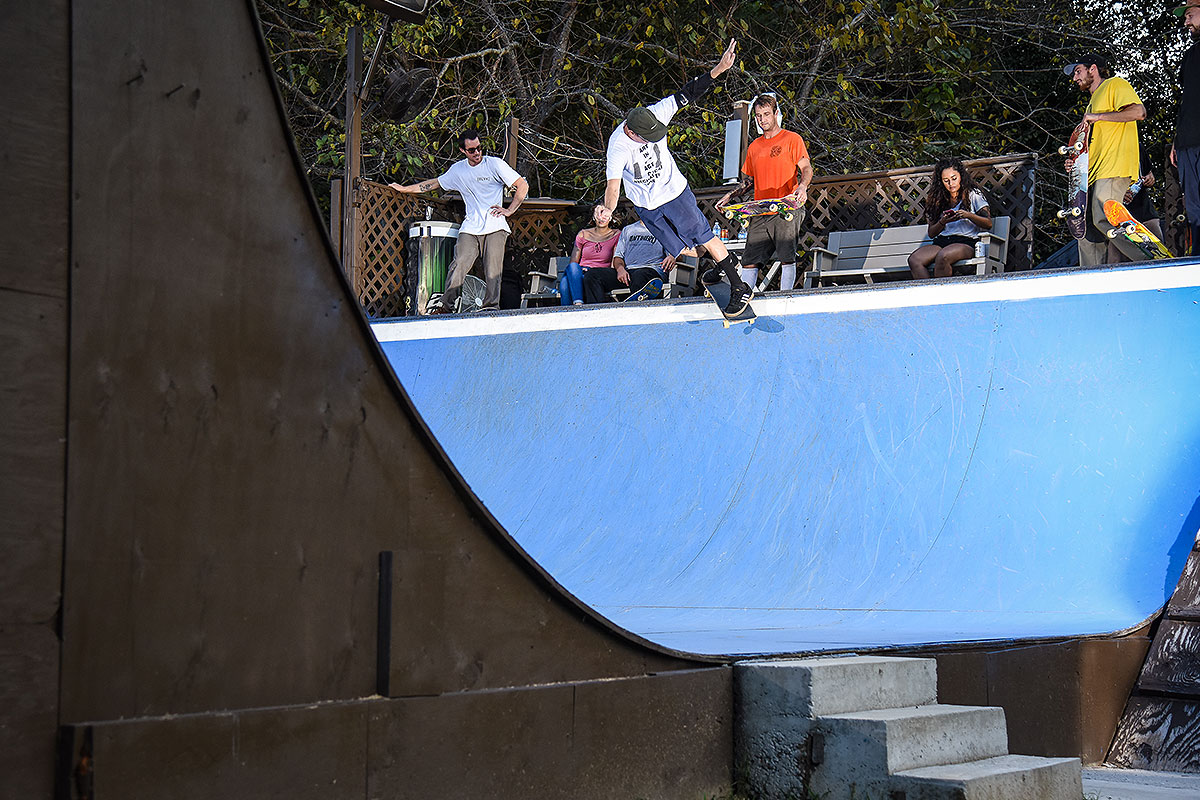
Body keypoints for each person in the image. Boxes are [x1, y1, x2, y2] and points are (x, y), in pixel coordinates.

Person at [603, 39, 754, 317]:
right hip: (647, 208)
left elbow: (689, 92)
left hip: (673, 194)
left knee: (704, 236)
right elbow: (613, 187)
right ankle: (724, 261)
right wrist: (607, 210)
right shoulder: (618, 146)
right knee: (686, 250)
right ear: (633, 133)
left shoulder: (657, 113)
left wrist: (719, 69)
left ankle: (739, 286)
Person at [389, 129, 529, 313]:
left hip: (495, 226)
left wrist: (510, 210)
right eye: (472, 150)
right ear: (463, 151)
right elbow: (434, 183)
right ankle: (446, 305)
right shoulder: (458, 170)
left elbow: (522, 185)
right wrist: (405, 189)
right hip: (470, 226)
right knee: (460, 262)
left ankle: (491, 307)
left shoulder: (494, 164)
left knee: (493, 268)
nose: (477, 153)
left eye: (479, 148)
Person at [716, 93, 812, 291]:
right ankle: (745, 297)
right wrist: (731, 195)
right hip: (760, 210)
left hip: (786, 207)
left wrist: (802, 186)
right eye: (759, 116)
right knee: (750, 259)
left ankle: (785, 296)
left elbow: (806, 168)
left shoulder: (791, 139)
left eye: (766, 114)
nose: (762, 119)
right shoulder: (754, 147)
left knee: (787, 256)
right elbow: (749, 181)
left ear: (776, 114)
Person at [1063, 53, 1147, 265]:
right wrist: (1076, 161)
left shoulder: (1114, 85)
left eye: (1078, 71)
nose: (1075, 78)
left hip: (1114, 167)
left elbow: (1139, 112)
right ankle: (1092, 279)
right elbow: (1091, 145)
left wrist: (1099, 117)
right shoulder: (1091, 103)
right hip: (1093, 174)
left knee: (1105, 217)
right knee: (1085, 228)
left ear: (1093, 69)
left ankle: (1148, 259)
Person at [907, 159, 992, 279]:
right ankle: (929, 292)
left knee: (943, 256)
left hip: (966, 242)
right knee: (914, 260)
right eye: (946, 181)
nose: (951, 184)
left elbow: (988, 223)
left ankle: (942, 294)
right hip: (942, 241)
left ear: (961, 176)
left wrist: (968, 215)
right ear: (941, 181)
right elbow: (931, 233)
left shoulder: (973, 194)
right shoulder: (938, 199)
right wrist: (943, 221)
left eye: (954, 178)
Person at [583, 210, 676, 303]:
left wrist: (672, 257)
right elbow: (618, 257)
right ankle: (597, 311)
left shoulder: (664, 229)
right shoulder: (628, 230)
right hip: (627, 274)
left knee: (639, 275)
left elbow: (676, 253)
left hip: (651, 273)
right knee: (592, 275)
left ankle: (636, 307)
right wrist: (620, 269)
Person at [1171, 0, 1200, 255]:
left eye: (1190, 15)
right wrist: (1175, 141)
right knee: (1194, 208)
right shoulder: (1190, 55)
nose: (1186, 22)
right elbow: (1186, 100)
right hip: (1187, 142)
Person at [561, 204, 621, 305]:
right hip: (580, 272)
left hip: (598, 274)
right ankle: (578, 304)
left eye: (605, 216)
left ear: (610, 217)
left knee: (564, 284)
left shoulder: (616, 234)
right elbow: (573, 262)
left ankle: (571, 311)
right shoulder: (583, 234)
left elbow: (614, 262)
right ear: (593, 217)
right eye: (598, 215)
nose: (601, 219)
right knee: (573, 267)